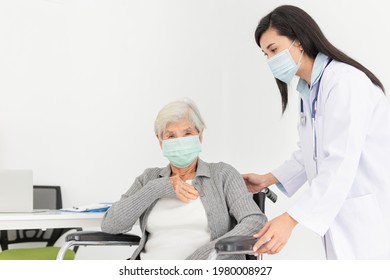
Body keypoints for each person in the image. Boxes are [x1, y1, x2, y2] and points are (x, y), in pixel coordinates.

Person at [243, 5, 390, 259]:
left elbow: (339, 161)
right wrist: (269, 178)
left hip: (367, 214)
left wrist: (290, 219)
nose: (270, 60)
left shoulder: (345, 83)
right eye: (265, 54)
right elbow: (311, 154)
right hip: (344, 215)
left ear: (299, 42)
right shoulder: (309, 89)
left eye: (274, 50)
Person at [101, 99, 267, 260]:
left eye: (187, 133)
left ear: (200, 135)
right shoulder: (149, 179)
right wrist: (158, 188)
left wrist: (204, 257)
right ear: (160, 141)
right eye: (171, 136)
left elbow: (255, 221)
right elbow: (110, 225)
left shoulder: (223, 174)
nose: (180, 142)